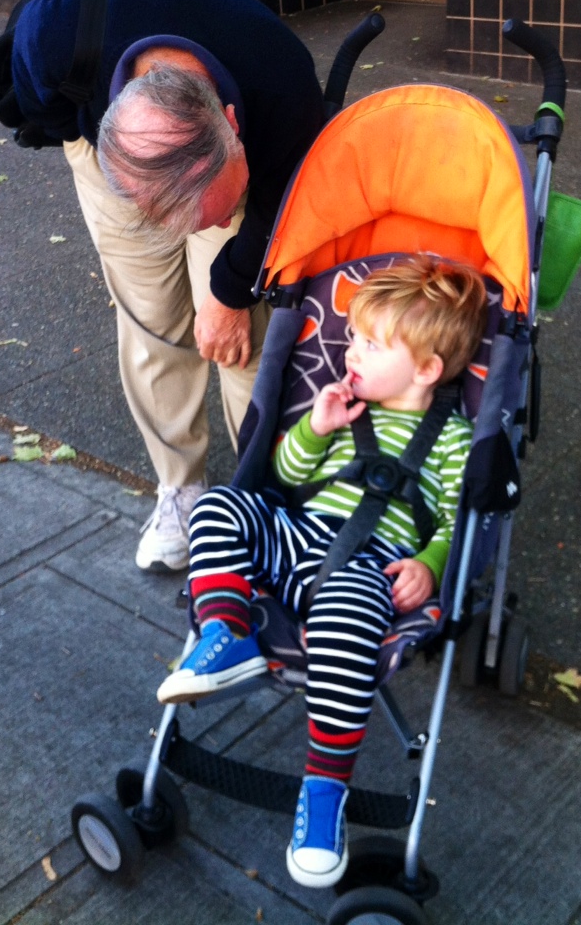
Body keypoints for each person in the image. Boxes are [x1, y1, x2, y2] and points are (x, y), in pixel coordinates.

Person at [0, 0, 325, 571]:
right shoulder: (56, 37)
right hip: (113, 145)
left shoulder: (283, 88)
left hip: (249, 157)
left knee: (243, 336)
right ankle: (180, 489)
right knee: (152, 319)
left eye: (208, 212)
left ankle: (262, 497)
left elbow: (278, 206)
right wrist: (94, 141)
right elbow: (35, 104)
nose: (209, 227)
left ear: (232, 125)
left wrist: (229, 291)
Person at [156, 255, 487, 889]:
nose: (350, 353)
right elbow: (282, 480)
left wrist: (430, 563)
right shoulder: (342, 405)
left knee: (352, 609)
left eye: (371, 345)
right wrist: (314, 426)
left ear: (425, 369)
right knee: (219, 506)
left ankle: (325, 791)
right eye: (352, 336)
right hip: (297, 534)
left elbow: (455, 520)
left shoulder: (450, 440)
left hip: (366, 566)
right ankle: (227, 635)